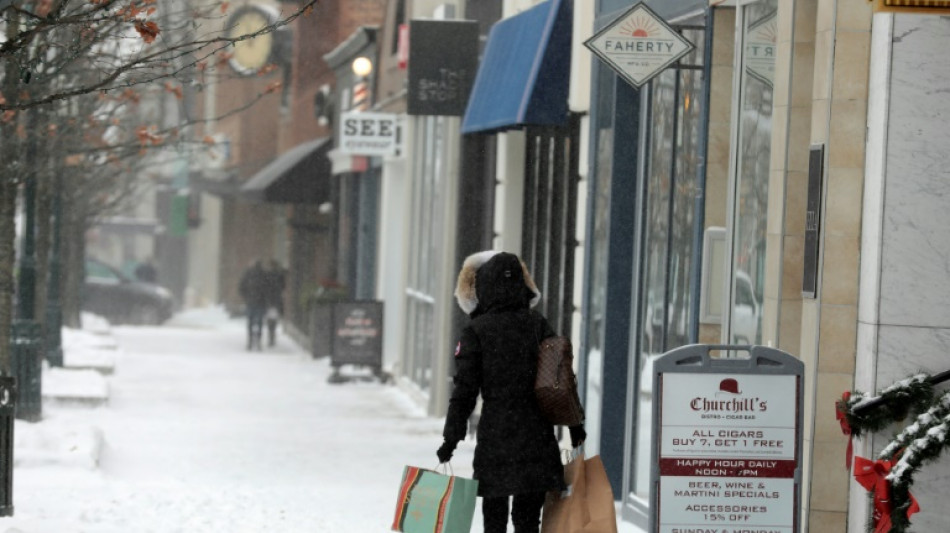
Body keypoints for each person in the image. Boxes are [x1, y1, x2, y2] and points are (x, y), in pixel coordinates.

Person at [437, 251, 587, 533]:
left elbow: (464, 392)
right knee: (528, 520)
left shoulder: (477, 331)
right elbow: (562, 378)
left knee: (494, 519)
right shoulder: (538, 324)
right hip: (536, 434)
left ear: (484, 287)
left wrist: (451, 439)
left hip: (497, 435)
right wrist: (575, 425)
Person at [239, 259, 269, 351]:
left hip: (250, 302)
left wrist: (245, 297)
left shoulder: (248, 274)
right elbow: (268, 289)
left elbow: (241, 287)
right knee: (259, 322)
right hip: (261, 302)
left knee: (250, 322)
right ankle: (258, 341)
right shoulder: (264, 275)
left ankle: (250, 341)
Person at [263, 259, 286, 347]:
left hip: (269, 300)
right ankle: (272, 336)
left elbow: (264, 286)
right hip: (276, 300)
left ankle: (271, 336)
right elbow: (283, 286)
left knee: (270, 320)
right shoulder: (279, 275)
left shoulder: (267, 275)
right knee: (274, 319)